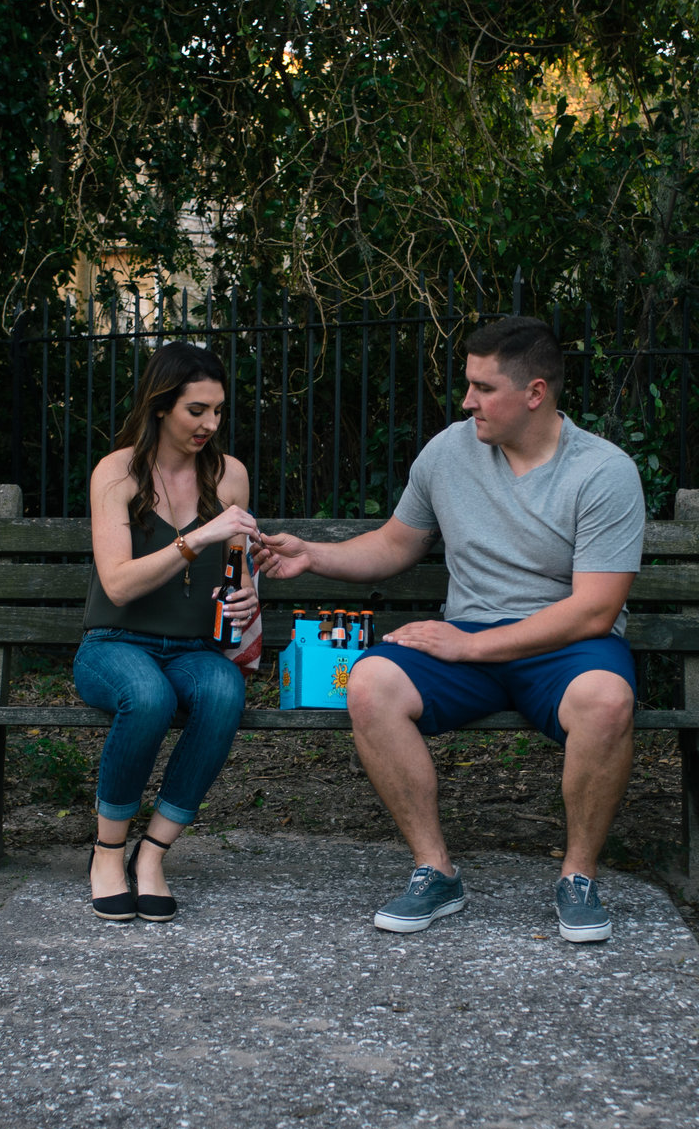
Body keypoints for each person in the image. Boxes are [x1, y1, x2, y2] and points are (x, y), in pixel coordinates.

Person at [252, 314, 642, 943]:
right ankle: (434, 871)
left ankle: (578, 877)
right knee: (372, 682)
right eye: (468, 384)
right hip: (469, 645)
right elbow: (393, 544)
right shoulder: (449, 451)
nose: (468, 402)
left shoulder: (603, 471)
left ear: (535, 393)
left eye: (484, 388)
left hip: (567, 647)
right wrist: (314, 555)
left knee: (607, 700)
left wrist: (471, 644)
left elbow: (595, 610)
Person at [75, 343, 260, 922]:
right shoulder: (119, 472)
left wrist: (251, 594)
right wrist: (196, 539)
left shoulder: (229, 476)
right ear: (161, 407)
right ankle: (108, 851)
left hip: (192, 648)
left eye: (218, 411)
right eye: (196, 410)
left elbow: (239, 570)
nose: (211, 424)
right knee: (147, 697)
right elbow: (120, 585)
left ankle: (152, 855)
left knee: (224, 693)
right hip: (114, 644)